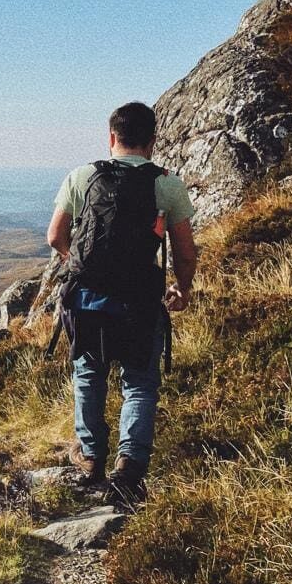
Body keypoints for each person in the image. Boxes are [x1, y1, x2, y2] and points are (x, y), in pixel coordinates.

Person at [46, 101, 197, 504]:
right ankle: (129, 470)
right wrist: (182, 288)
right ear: (152, 141)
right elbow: (184, 250)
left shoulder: (82, 177)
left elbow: (55, 236)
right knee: (140, 384)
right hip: (140, 303)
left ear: (111, 137)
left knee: (89, 374)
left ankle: (91, 458)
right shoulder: (166, 183)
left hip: (88, 301)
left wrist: (76, 264)